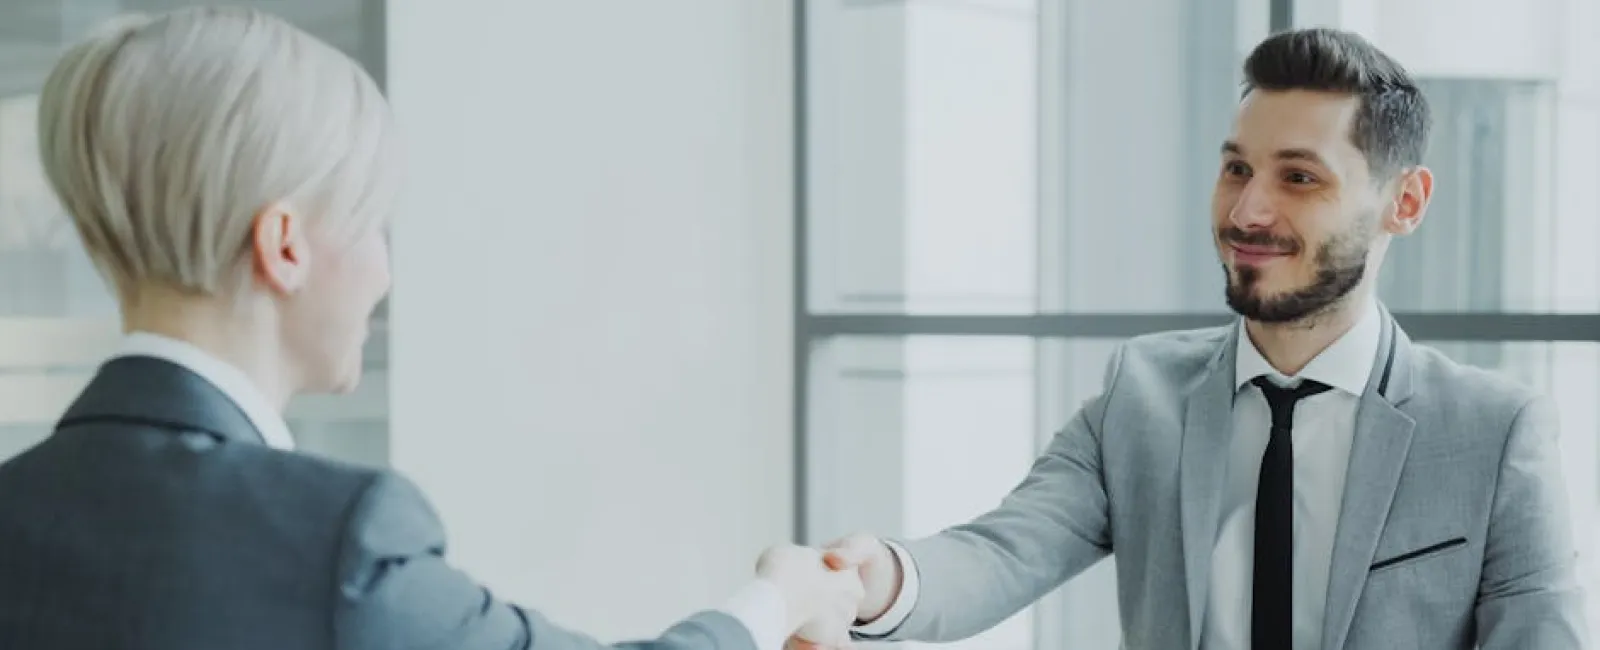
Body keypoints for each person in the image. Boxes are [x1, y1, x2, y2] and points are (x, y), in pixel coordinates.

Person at [0, 7, 861, 650]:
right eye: (371, 222)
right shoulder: (334, 540)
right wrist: (780, 602)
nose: (384, 270)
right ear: (285, 246)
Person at [806, 27, 1587, 650]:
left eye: (1299, 177)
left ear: (1404, 202)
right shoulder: (1141, 395)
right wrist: (875, 580)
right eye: (1237, 169)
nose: (1247, 213)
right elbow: (1002, 553)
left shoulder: (1494, 434)